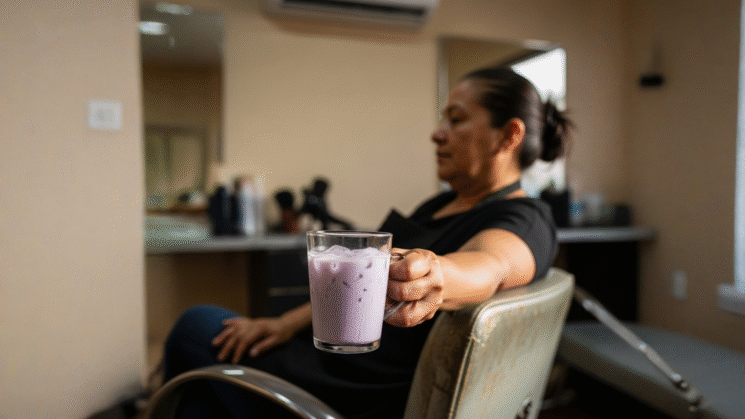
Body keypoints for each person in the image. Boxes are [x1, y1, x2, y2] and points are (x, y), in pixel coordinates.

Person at [162, 67, 573, 418]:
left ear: (509, 136)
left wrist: (436, 274)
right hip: (331, 360)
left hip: (357, 391)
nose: (437, 133)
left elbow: (491, 265)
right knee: (209, 379)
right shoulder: (441, 204)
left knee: (195, 327)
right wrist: (284, 324)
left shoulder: (526, 219)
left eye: (456, 119)